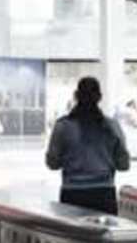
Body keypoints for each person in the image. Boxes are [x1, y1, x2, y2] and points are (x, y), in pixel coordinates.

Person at [45, 77, 130, 215]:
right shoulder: (112, 127)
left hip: (72, 193)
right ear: (99, 97)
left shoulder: (63, 126)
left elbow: (52, 164)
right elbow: (124, 165)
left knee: (74, 235)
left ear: (76, 96)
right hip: (104, 195)